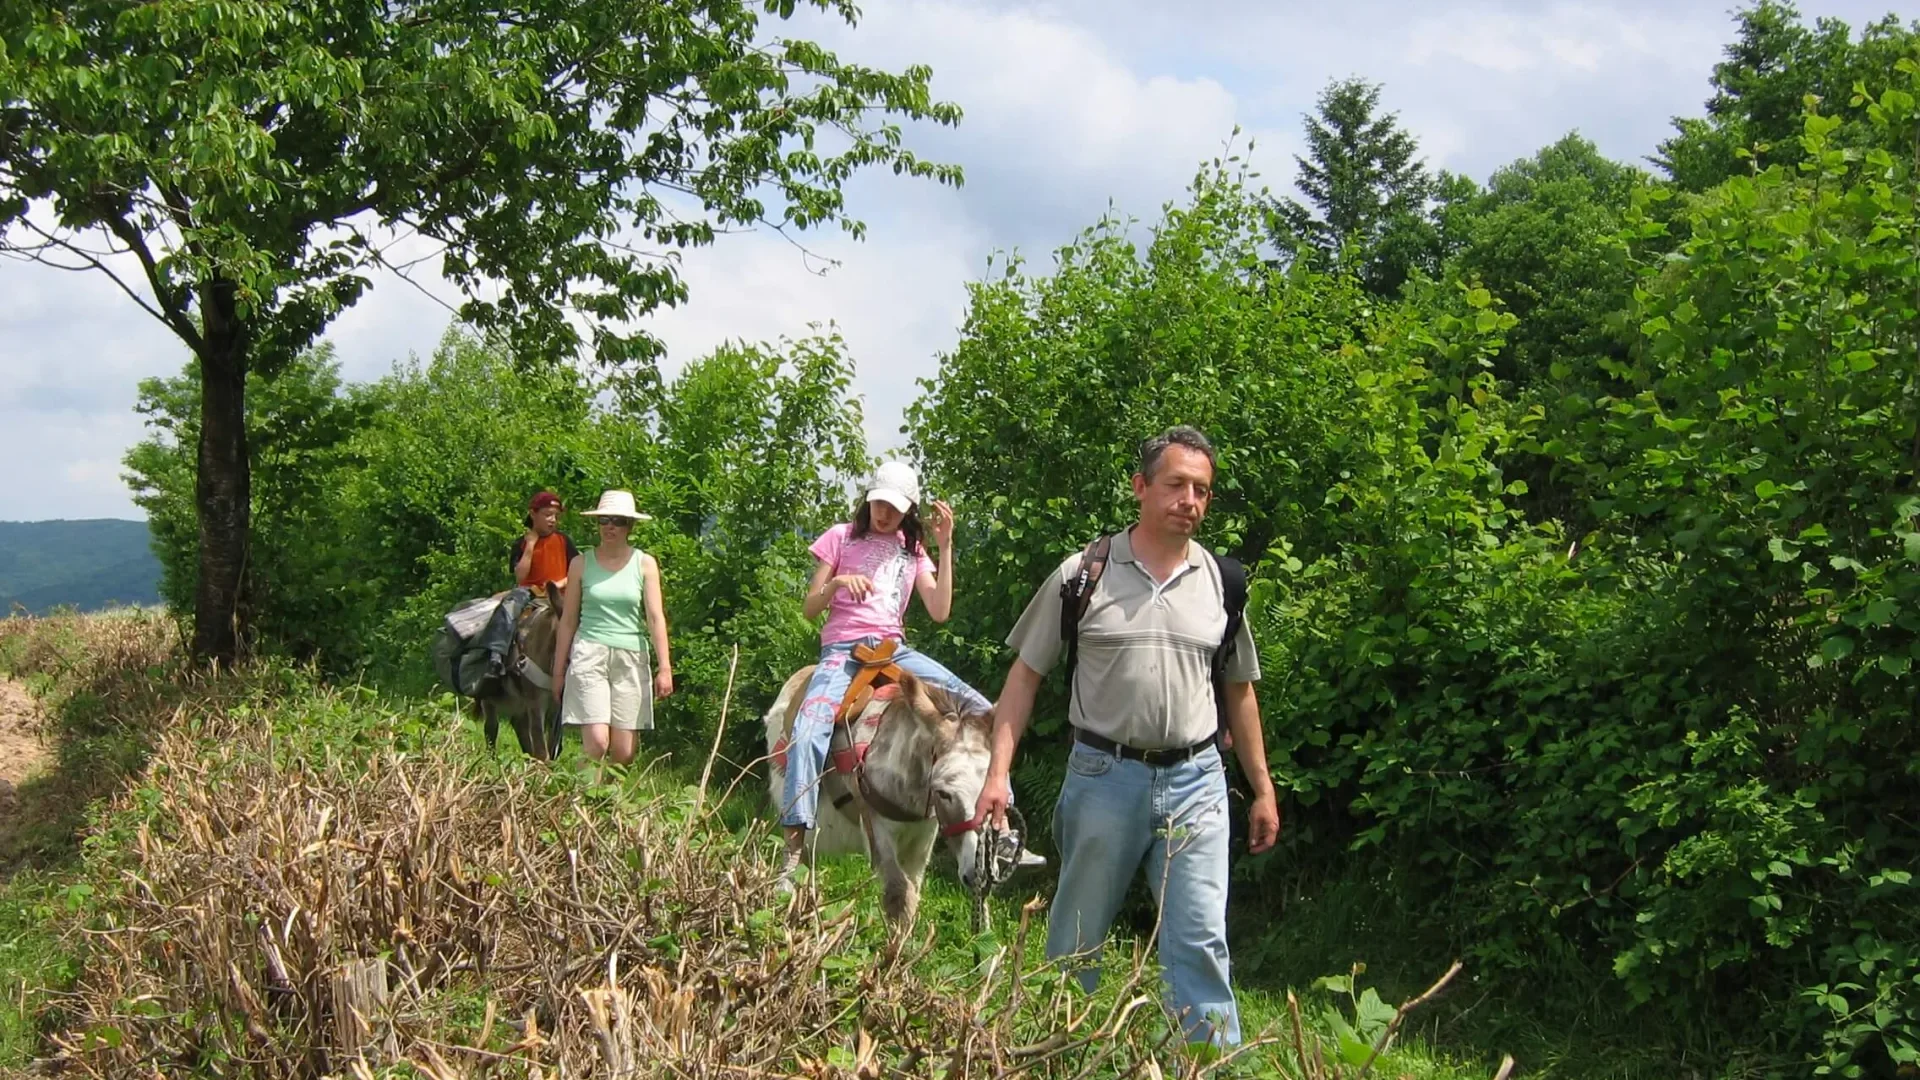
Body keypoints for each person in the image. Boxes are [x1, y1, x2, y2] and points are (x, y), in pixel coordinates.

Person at [974, 426, 1280, 1048]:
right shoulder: (1083, 574)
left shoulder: (1222, 584)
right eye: (1175, 485)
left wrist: (1264, 790)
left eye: (1201, 490)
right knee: (1076, 936)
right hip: (1102, 777)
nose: (1188, 500)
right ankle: (1055, 1053)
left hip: (1197, 781)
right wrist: (996, 774)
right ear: (1141, 488)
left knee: (1198, 938)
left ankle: (1208, 1063)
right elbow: (1024, 677)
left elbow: (1240, 692)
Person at [777, 460, 1019, 890]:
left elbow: (940, 611)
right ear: (868, 500)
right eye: (878, 503)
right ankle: (793, 847)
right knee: (810, 727)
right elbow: (810, 607)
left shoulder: (913, 552)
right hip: (843, 650)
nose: (884, 513)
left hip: (894, 649)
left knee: (983, 711)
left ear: (908, 511)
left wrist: (945, 548)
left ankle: (1000, 826)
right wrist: (835, 585)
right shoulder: (840, 538)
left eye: (893, 507)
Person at [549, 490, 673, 765]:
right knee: (597, 743)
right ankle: (581, 802)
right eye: (604, 520)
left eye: (617, 521)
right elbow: (568, 620)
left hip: (630, 656)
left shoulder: (645, 564)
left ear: (629, 526)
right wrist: (558, 672)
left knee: (624, 752)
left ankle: (609, 805)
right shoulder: (580, 564)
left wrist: (664, 668)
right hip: (589, 653)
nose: (609, 527)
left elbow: (655, 617)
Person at [477, 491, 580, 692]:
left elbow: (577, 570)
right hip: (530, 591)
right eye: (548, 514)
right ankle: (495, 656)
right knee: (508, 607)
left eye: (556, 516)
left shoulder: (564, 541)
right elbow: (520, 576)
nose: (553, 520)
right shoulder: (522, 543)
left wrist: (559, 583)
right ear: (534, 514)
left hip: (559, 593)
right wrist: (531, 546)